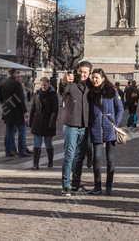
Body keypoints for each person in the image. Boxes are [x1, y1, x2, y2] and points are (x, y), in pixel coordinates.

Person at [86, 69, 123, 195]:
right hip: (95, 128)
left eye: (97, 77)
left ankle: (109, 186)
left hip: (109, 128)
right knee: (96, 159)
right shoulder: (90, 93)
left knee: (110, 159)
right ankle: (97, 187)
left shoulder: (112, 91)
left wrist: (115, 124)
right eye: (93, 77)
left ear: (102, 78)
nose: (94, 80)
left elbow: (120, 109)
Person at [59, 61, 91, 196]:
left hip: (85, 126)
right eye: (81, 71)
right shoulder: (71, 85)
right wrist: (63, 81)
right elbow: (62, 91)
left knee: (79, 157)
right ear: (77, 71)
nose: (83, 74)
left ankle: (75, 184)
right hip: (71, 124)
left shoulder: (91, 87)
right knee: (69, 155)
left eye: (86, 72)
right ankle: (66, 185)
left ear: (89, 73)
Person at [0, 70, 28, 158]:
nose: (19, 76)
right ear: (14, 74)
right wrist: (25, 111)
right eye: (17, 74)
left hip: (7, 110)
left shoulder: (3, 83)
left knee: (9, 132)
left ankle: (8, 151)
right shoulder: (17, 84)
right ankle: (22, 151)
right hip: (17, 111)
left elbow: (0, 98)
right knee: (22, 131)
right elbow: (21, 99)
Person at [29, 76, 58, 169]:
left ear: (49, 84)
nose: (43, 87)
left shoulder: (53, 94)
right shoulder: (37, 94)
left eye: (45, 85)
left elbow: (55, 110)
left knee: (48, 143)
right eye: (42, 85)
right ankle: (35, 164)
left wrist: (52, 123)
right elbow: (33, 108)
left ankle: (50, 162)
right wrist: (30, 121)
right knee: (37, 143)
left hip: (48, 122)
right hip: (37, 122)